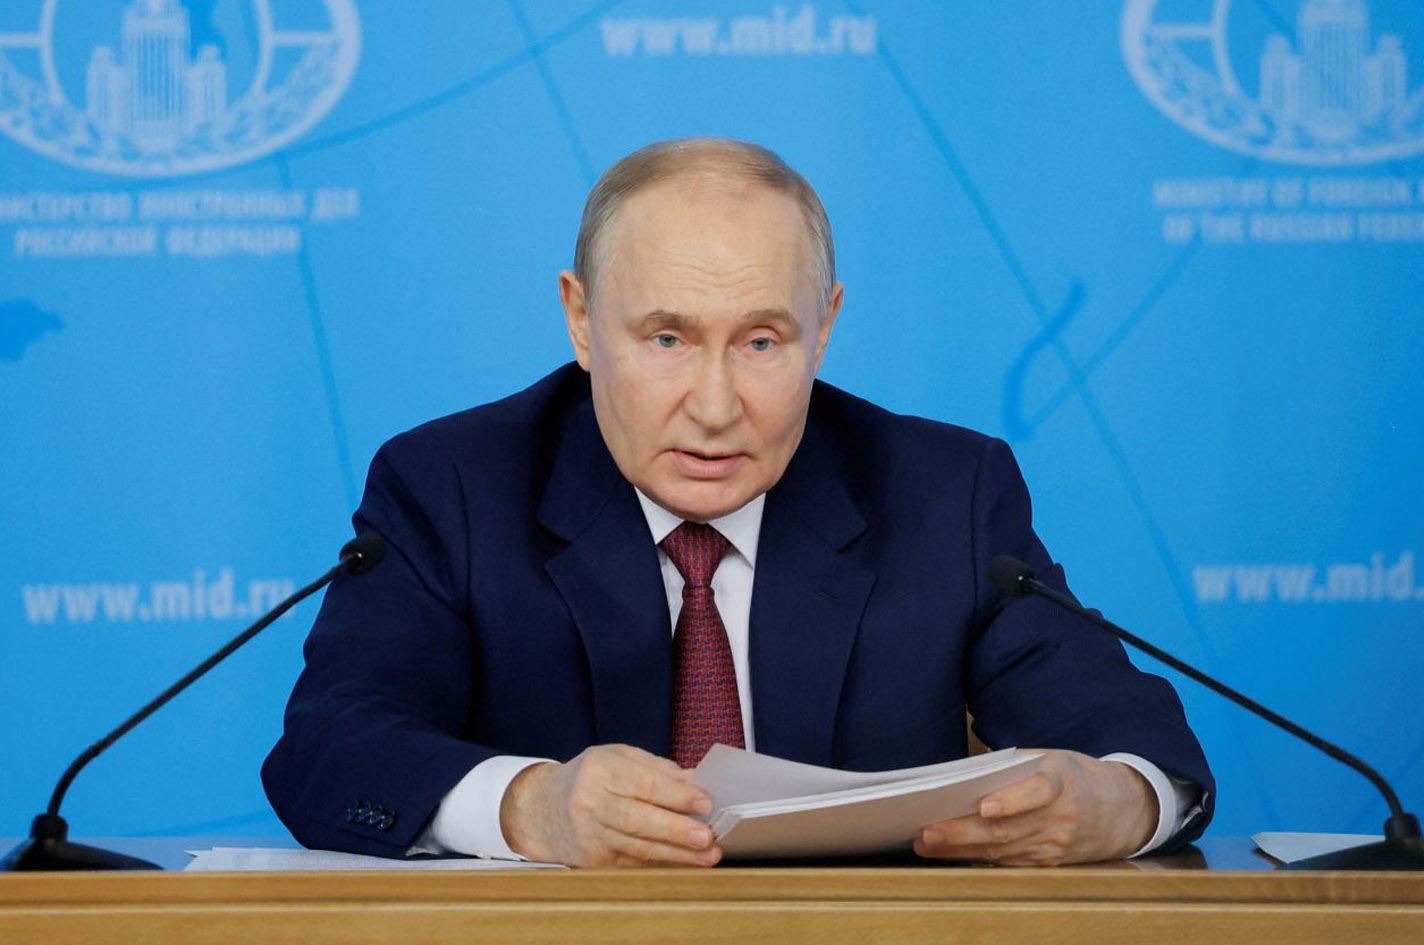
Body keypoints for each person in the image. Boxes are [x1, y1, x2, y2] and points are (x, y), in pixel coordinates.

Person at [263, 138, 1212, 868]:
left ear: (824, 326)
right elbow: (328, 747)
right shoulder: (453, 487)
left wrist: (1121, 803)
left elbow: (1138, 743)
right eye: (667, 339)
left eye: (761, 342)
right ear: (581, 319)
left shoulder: (943, 493)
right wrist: (530, 807)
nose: (715, 408)